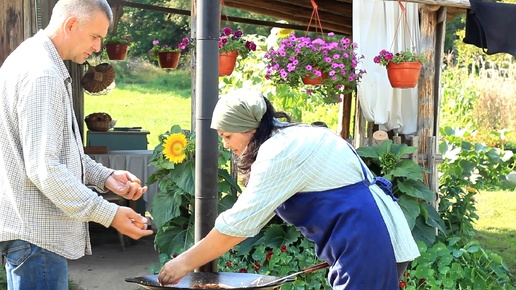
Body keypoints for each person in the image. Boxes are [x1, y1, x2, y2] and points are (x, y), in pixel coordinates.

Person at [157, 89, 420, 289]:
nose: (226, 145)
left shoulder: (282, 151)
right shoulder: (293, 136)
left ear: (251, 129)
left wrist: (184, 263)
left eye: (228, 136)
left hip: (367, 240)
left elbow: (239, 224)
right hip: (368, 234)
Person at [0, 0, 153, 289]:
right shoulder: (42, 73)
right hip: (36, 239)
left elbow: (56, 153)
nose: (97, 48)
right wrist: (110, 214)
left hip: (31, 238)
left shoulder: (33, 59)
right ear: (71, 25)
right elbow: (45, 168)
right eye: (95, 36)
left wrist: (106, 177)